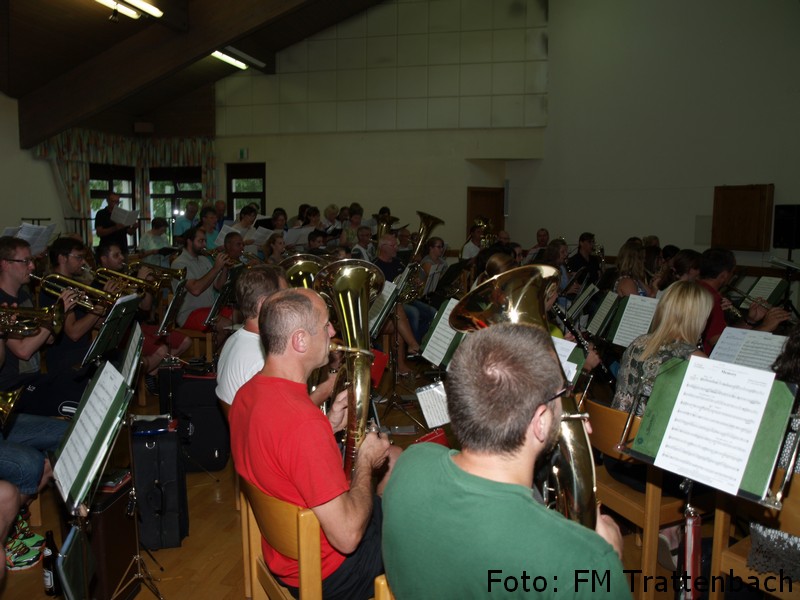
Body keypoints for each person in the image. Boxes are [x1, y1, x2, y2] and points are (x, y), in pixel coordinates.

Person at [382, 323, 625, 598]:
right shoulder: (587, 563)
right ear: (540, 421)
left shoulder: (410, 462)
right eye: (563, 394)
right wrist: (609, 559)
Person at [229, 288, 394, 600]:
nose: (332, 332)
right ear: (300, 341)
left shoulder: (247, 394)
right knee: (420, 525)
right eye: (325, 325)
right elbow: (347, 538)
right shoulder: (303, 422)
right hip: (333, 573)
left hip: (286, 555)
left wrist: (328, 425)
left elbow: (278, 454)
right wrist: (364, 464)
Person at [0, 237, 82, 417]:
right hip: (11, 385)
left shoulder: (23, 296)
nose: (32, 266)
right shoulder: (2, 303)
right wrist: (56, 314)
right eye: (25, 261)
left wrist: (59, 315)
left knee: (80, 383)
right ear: (5, 264)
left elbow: (48, 339)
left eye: (32, 260)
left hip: (32, 375)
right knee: (72, 400)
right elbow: (23, 351)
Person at [96, 240, 191, 391]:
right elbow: (119, 309)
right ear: (104, 259)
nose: (122, 258)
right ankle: (140, 376)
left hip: (139, 326)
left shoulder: (126, 277)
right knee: (161, 350)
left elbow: (145, 307)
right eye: (116, 255)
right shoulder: (98, 283)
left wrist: (146, 285)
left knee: (185, 341)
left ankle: (151, 371)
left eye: (121, 254)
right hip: (119, 332)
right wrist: (138, 283)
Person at [611, 281, 713, 417]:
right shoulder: (696, 360)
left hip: (616, 423)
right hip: (650, 430)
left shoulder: (638, 342)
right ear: (697, 319)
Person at [697, 247, 790, 353]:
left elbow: (726, 334)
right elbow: (720, 343)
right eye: (732, 272)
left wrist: (750, 321)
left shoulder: (695, 288)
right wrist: (765, 327)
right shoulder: (710, 298)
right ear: (724, 275)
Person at [171, 227, 232, 347]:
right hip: (189, 313)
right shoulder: (179, 263)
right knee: (226, 325)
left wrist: (224, 267)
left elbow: (219, 286)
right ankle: (213, 355)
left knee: (238, 316)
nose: (204, 245)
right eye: (200, 241)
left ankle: (221, 352)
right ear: (189, 241)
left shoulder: (204, 260)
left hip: (209, 310)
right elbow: (196, 289)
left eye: (205, 241)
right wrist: (216, 268)